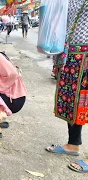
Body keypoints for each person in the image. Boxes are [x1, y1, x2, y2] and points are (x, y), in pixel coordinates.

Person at [46, 0, 88, 173]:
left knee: (84, 102)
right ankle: (73, 144)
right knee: (72, 102)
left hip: (85, 53)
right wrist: (58, 57)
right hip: (71, 54)